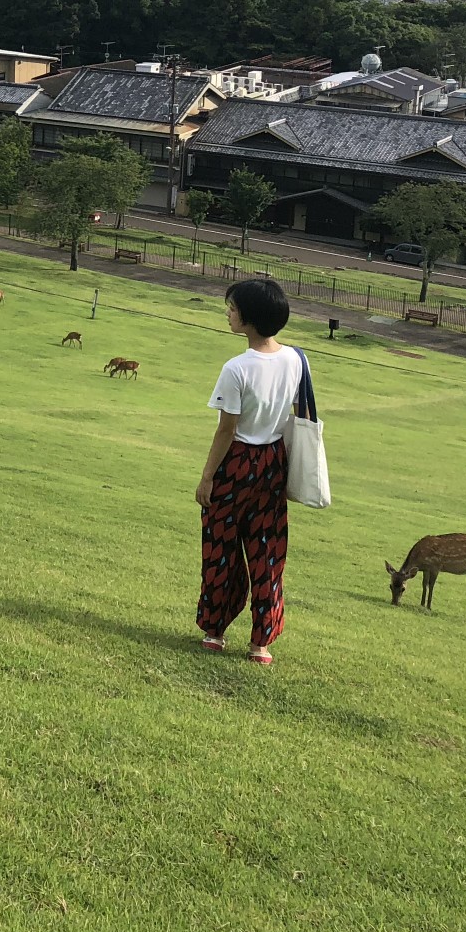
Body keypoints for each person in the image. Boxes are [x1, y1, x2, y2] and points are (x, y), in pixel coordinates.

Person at [196, 278, 305, 666]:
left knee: (221, 550)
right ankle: (261, 644)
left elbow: (227, 429)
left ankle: (215, 631)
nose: (228, 313)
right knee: (267, 553)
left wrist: (207, 476)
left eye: (233, 308)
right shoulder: (296, 360)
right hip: (274, 463)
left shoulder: (236, 368)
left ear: (250, 319)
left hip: (238, 462)